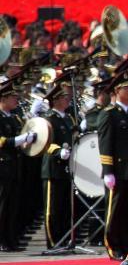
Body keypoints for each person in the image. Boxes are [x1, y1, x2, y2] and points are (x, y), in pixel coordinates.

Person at [98, 72, 128, 260]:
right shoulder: (109, 114)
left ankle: (124, 244)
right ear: (117, 91)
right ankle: (112, 245)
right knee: (114, 210)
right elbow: (105, 143)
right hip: (117, 170)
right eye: (127, 88)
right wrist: (108, 171)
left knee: (126, 210)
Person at [0, 82, 35, 251]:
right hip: (2, 166)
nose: (16, 100)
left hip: (15, 166)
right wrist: (20, 140)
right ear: (4, 98)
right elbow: (1, 141)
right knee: (2, 205)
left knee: (13, 205)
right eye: (13, 97)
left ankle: (10, 239)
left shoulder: (14, 117)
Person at [42, 82, 76, 250]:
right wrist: (57, 152)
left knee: (65, 207)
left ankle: (65, 238)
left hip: (67, 168)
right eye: (63, 97)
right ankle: (53, 241)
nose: (67, 99)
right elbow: (45, 141)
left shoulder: (69, 117)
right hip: (53, 168)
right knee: (53, 208)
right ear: (55, 101)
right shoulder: (49, 119)